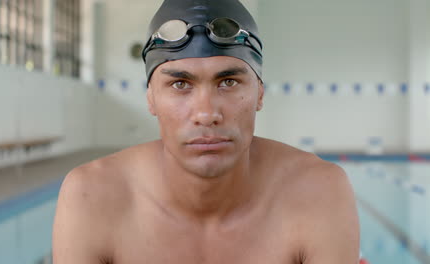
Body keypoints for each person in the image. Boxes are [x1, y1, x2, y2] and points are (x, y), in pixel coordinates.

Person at [52, 0, 360, 263]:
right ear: (151, 98)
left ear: (260, 94)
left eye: (228, 82)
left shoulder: (318, 192)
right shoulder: (92, 197)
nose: (206, 113)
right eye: (180, 84)